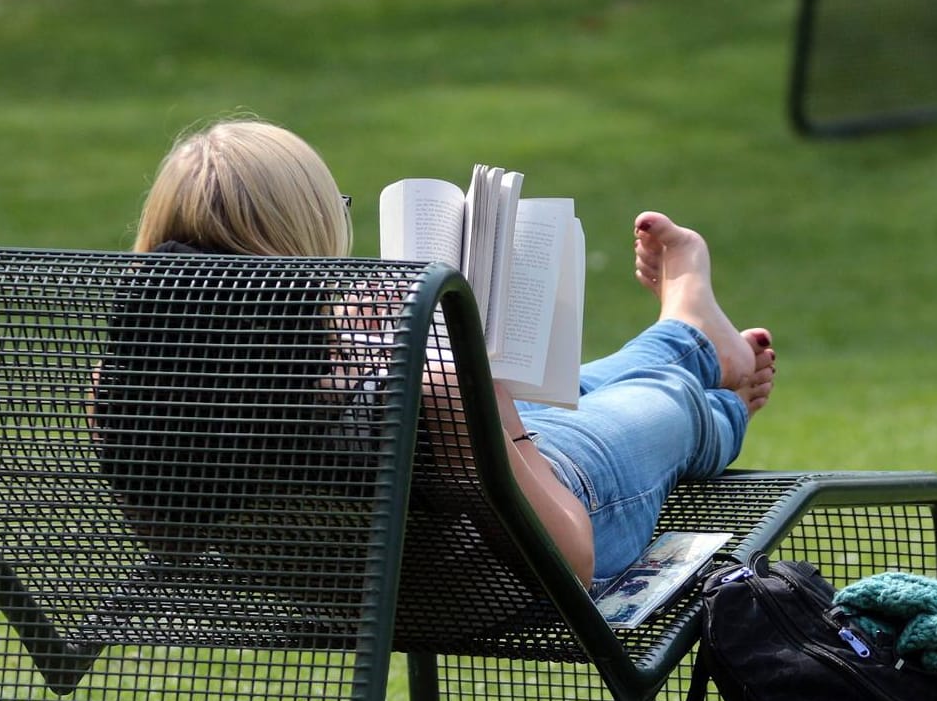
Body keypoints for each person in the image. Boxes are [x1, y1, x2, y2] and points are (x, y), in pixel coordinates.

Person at [120, 116, 775, 589]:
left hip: (346, 574)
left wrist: (346, 336)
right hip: (517, 532)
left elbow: (172, 536)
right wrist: (476, 381)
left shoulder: (125, 387)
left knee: (589, 386)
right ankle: (711, 376)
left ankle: (688, 333)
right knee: (666, 401)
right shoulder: (424, 392)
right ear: (303, 235)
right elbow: (568, 557)